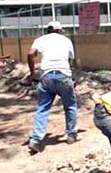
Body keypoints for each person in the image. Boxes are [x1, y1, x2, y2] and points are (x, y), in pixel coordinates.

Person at [27, 21, 78, 152]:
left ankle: (36, 140)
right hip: (63, 76)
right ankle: (71, 134)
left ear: (48, 30)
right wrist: (73, 77)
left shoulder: (40, 40)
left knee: (42, 109)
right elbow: (71, 58)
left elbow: (30, 54)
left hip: (46, 77)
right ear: (60, 30)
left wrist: (32, 73)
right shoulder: (66, 40)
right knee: (70, 106)